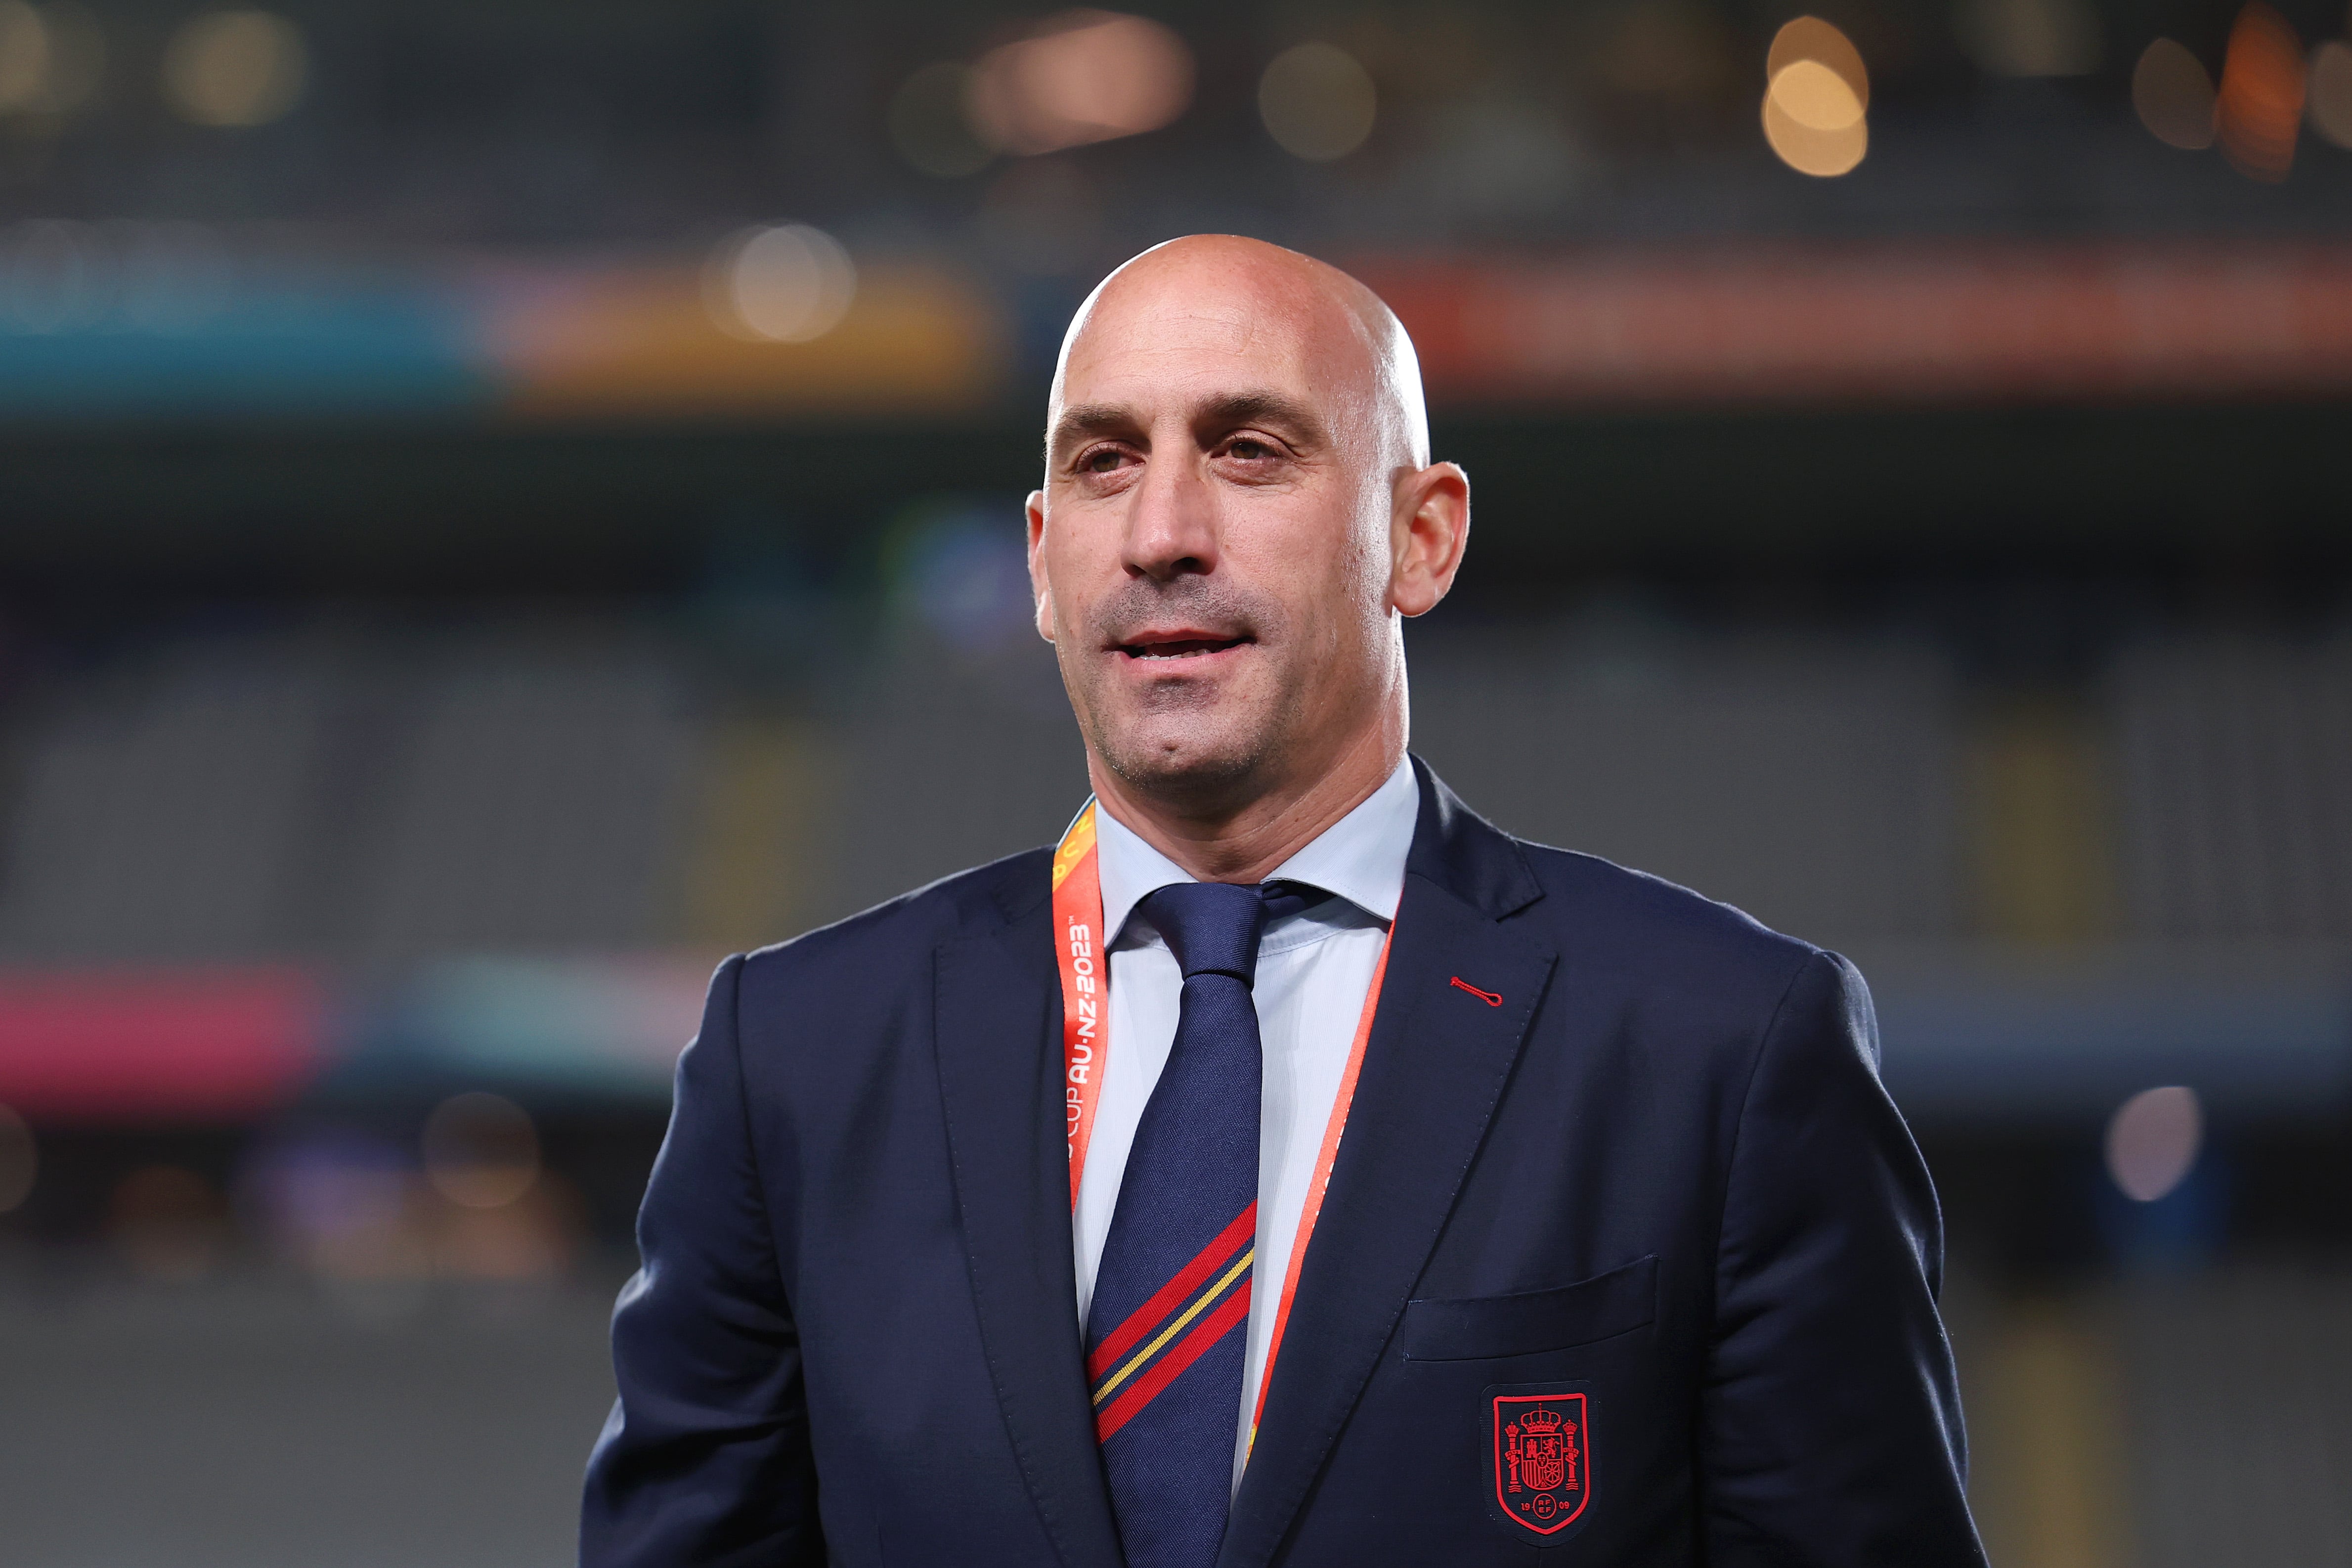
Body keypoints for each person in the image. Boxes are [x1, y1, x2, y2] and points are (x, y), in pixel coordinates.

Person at [580, 235, 1986, 1568]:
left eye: (1250, 452)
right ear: (1040, 560)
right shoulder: (799, 1056)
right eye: (1105, 463)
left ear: (1421, 538)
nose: (1163, 532)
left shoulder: (1722, 1048)